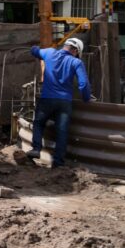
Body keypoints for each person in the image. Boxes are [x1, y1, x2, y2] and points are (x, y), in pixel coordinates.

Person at [26, 37, 91, 168]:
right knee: (62, 131)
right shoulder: (76, 62)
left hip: (47, 99)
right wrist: (86, 98)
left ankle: (36, 149)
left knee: (38, 123)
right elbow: (83, 84)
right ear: (75, 50)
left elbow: (34, 51)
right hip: (64, 102)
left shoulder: (49, 53)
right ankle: (58, 162)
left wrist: (35, 50)